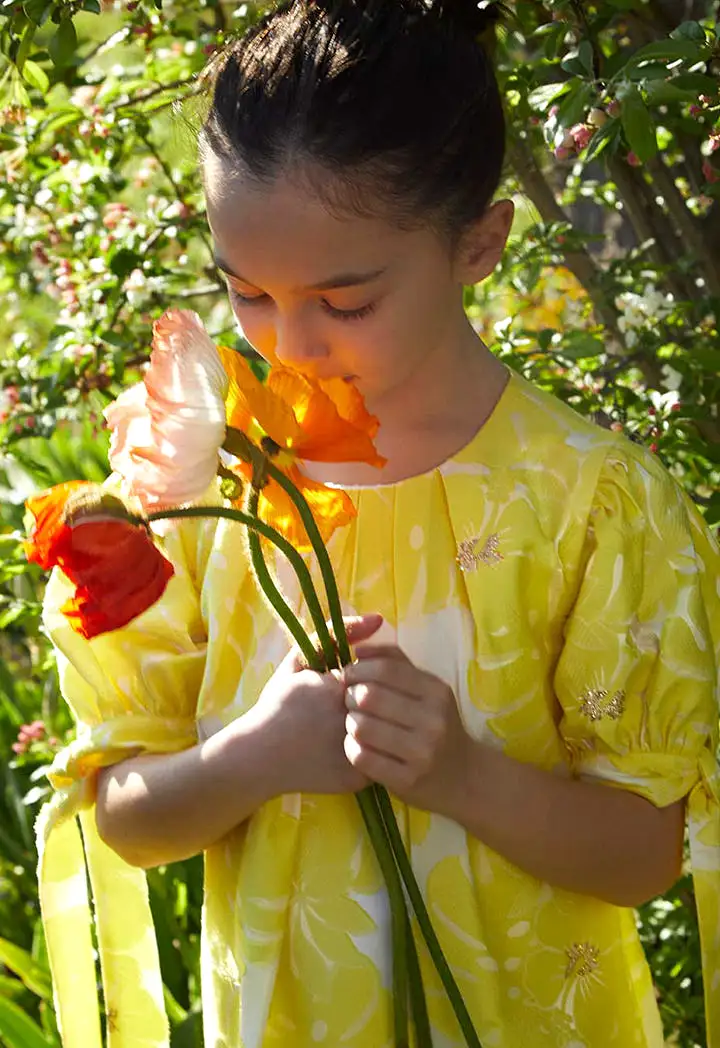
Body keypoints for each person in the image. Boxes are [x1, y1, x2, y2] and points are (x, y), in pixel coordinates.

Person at [36, 2, 720, 1047]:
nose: (292, 343)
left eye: (345, 301)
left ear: (480, 242)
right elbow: (122, 811)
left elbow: (646, 853)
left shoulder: (589, 500)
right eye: (246, 292)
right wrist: (251, 758)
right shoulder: (201, 488)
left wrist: (462, 775)